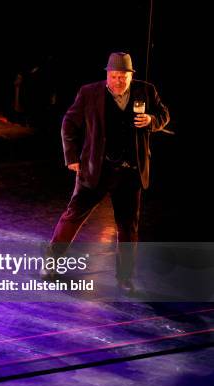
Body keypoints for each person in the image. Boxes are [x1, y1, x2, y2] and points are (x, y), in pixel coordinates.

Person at [43, 52, 170, 292]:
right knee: (73, 216)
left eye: (123, 77)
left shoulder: (146, 91)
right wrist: (71, 157)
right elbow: (69, 123)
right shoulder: (90, 92)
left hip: (130, 172)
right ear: (107, 75)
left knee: (128, 226)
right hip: (96, 169)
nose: (118, 82)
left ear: (131, 76)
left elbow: (164, 115)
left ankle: (124, 277)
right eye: (114, 76)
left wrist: (152, 121)